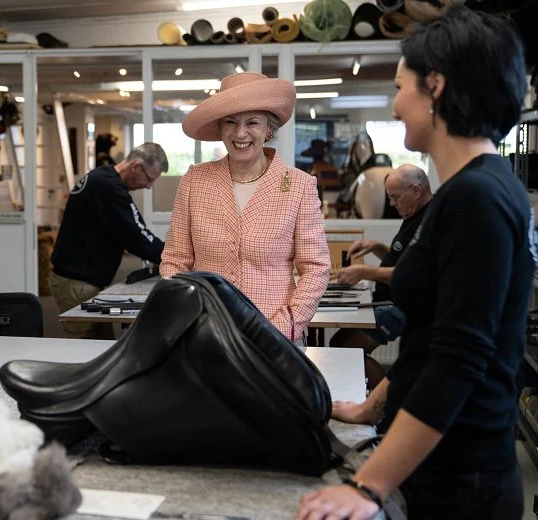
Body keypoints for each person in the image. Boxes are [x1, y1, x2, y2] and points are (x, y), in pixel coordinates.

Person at [297, 6, 534, 520]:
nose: (396, 103)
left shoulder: (479, 198)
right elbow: (429, 337)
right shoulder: (464, 193)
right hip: (438, 468)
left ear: (437, 87)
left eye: (402, 86)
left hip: (462, 481)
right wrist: (368, 409)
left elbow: (459, 359)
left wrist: (367, 486)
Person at [160, 72, 331, 345]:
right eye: (231, 122)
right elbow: (175, 260)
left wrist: (284, 325)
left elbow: (316, 268)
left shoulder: (299, 185)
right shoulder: (195, 180)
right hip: (206, 332)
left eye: (252, 122)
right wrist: (187, 313)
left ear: (269, 129)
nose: (241, 133)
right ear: (220, 128)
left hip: (276, 336)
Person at [51, 142, 169, 339]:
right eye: (149, 179)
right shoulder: (109, 188)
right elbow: (137, 235)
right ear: (136, 166)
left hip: (80, 281)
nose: (148, 186)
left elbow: (132, 230)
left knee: (103, 347)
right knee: (80, 351)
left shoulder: (102, 177)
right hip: (77, 284)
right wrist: (171, 255)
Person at [330, 164, 433, 389]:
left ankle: (385, 404)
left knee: (346, 350)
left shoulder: (430, 221)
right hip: (390, 299)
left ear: (416, 190)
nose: (393, 204)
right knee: (337, 343)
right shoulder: (412, 215)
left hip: (403, 308)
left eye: (395, 197)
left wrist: (365, 271)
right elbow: (405, 261)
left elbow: (413, 274)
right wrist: (376, 247)